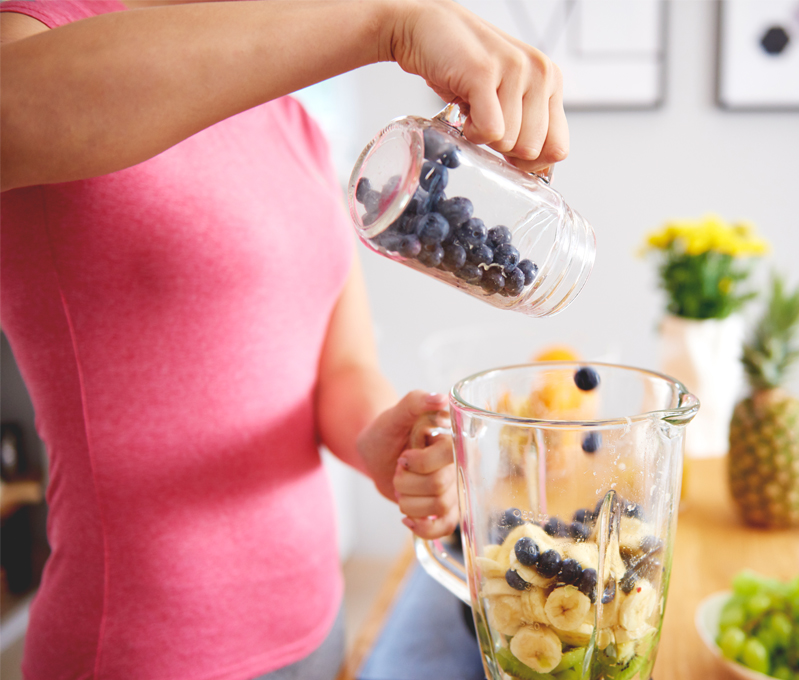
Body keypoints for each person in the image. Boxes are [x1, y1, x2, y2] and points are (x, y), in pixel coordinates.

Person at [0, 1, 568, 678]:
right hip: (145, 648)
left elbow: (339, 366)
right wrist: (383, 22)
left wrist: (386, 444)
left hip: (314, 620)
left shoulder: (291, 119)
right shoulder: (41, 33)